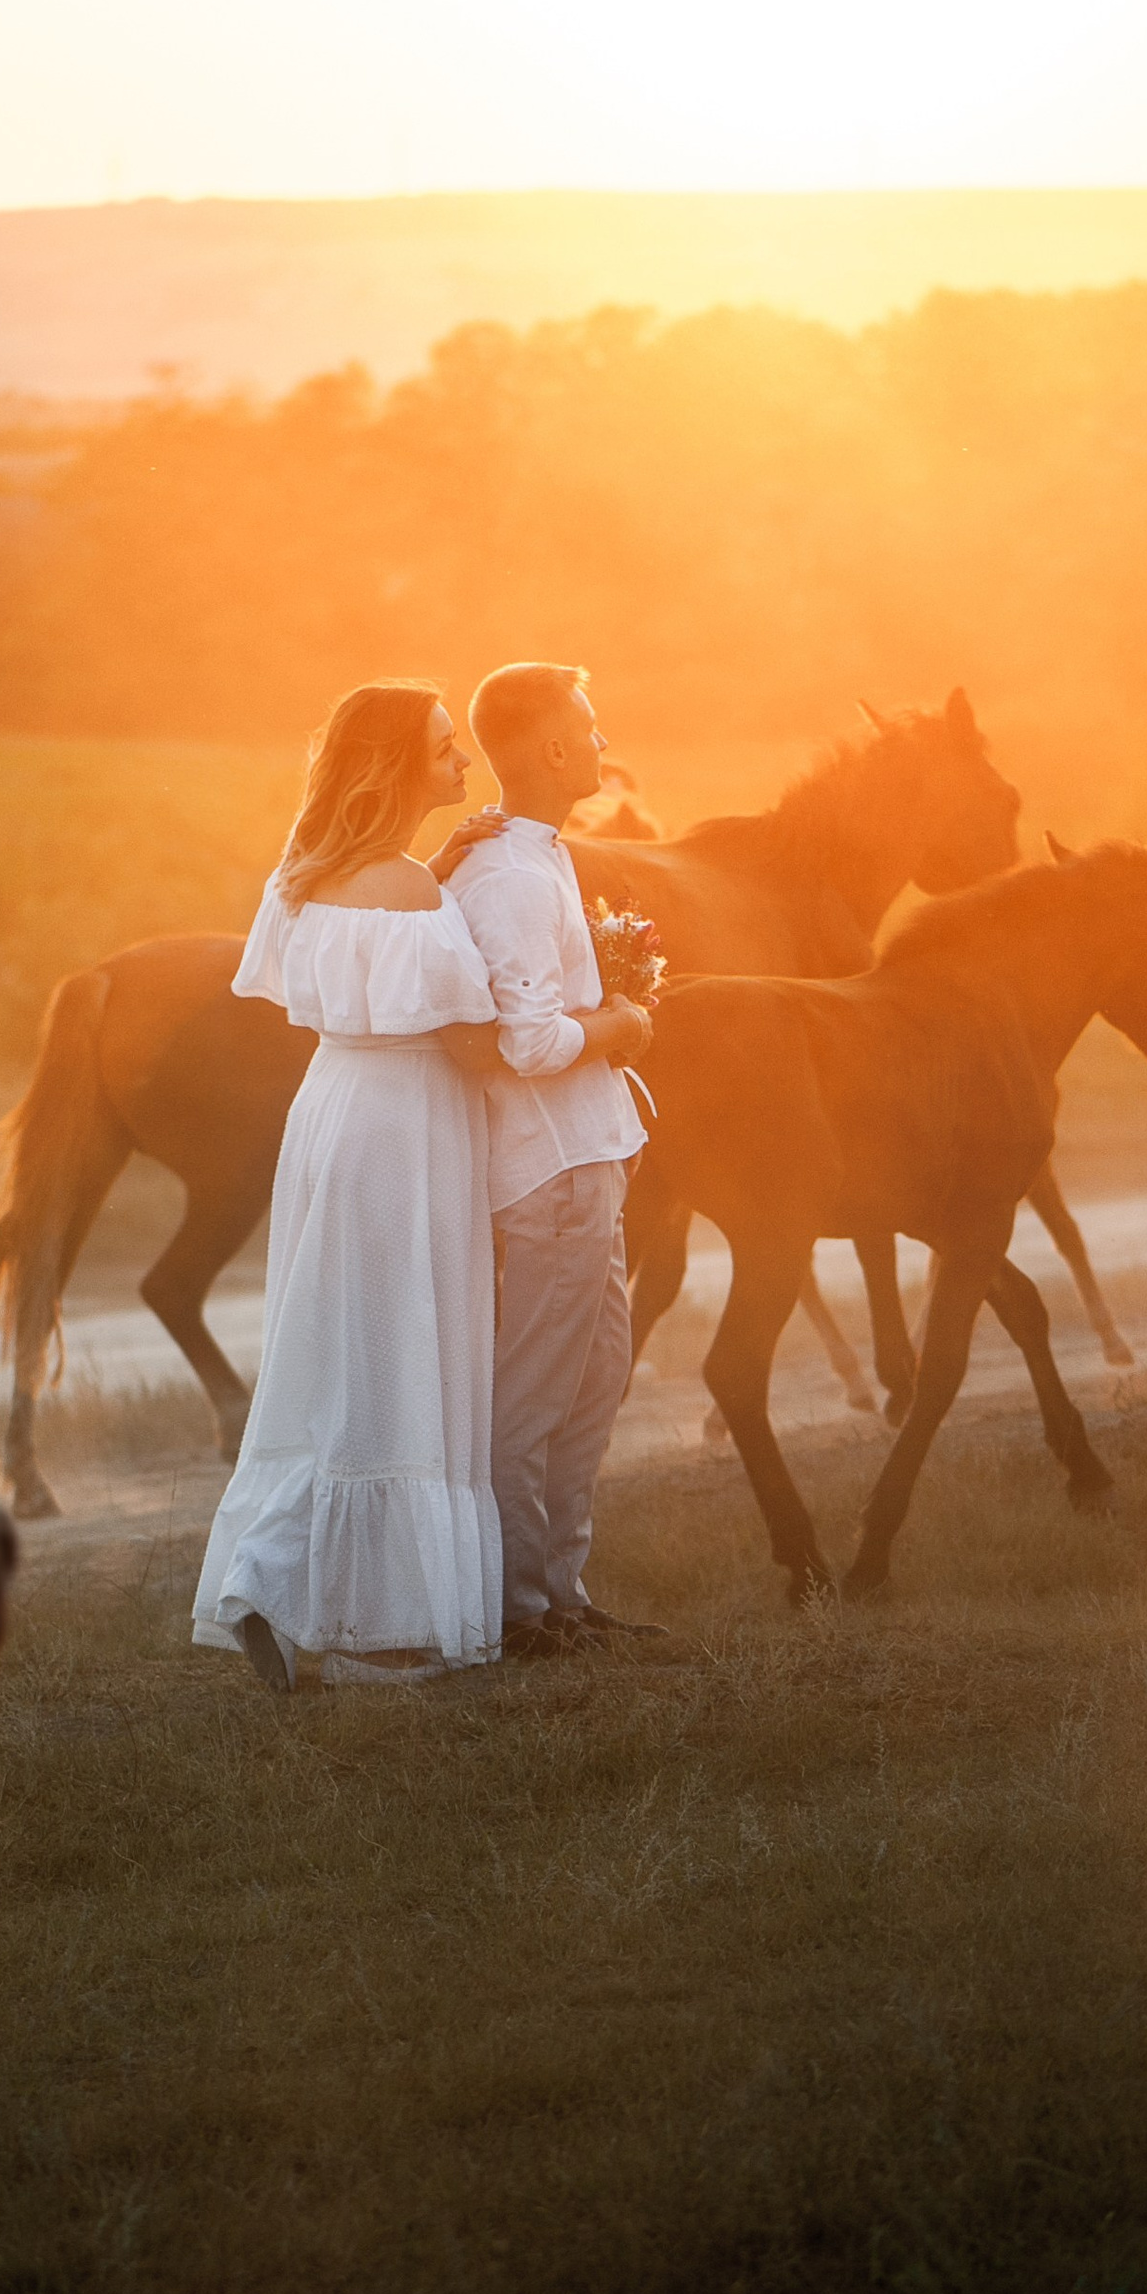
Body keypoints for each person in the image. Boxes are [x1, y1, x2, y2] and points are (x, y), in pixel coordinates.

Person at [191, 682, 514, 1691]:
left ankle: (270, 1576)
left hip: (333, 1104)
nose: (463, 764)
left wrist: (444, 869)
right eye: (444, 748)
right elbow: (472, 1036)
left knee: (326, 1349)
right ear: (397, 767)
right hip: (407, 1124)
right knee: (399, 1348)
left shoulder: (303, 875)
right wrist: (602, 1025)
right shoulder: (414, 894)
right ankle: (388, 1628)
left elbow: (319, 980)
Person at [446, 663, 660, 1656]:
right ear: (550, 748)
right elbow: (528, 1042)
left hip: (590, 1158)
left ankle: (562, 1593)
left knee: (596, 1376)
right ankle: (518, 1610)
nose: (604, 736)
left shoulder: (538, 857)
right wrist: (621, 1019)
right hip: (552, 1171)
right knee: (534, 1391)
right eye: (590, 720)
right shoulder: (506, 875)